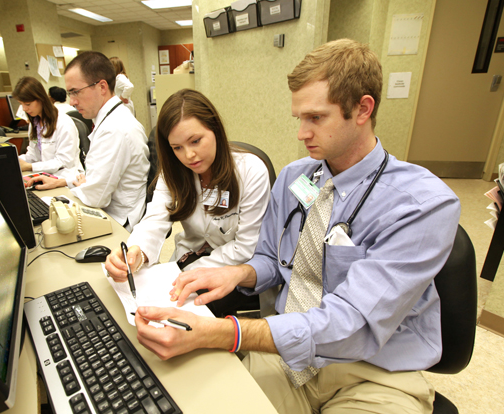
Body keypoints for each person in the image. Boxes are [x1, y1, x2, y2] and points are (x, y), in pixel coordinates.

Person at [130, 39, 461, 414]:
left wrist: (230, 333)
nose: (302, 133)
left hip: (372, 372)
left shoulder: (421, 204)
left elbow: (352, 322)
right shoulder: (295, 178)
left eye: (316, 118)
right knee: (185, 395)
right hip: (286, 359)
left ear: (363, 109)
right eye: (299, 118)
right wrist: (238, 273)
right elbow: (273, 260)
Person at [104, 89, 271, 317]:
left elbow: (245, 248)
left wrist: (186, 273)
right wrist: (137, 252)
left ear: (215, 130)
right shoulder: (174, 173)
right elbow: (155, 219)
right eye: (177, 148)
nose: (189, 155)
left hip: (232, 271)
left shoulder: (250, 171)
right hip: (186, 261)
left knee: (179, 317)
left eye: (195, 141)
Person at [28, 52, 149, 232]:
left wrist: (83, 185)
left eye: (75, 92)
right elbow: (94, 182)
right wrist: (62, 182)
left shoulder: (115, 129)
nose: (71, 102)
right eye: (69, 93)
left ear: (101, 87)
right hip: (107, 211)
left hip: (117, 223)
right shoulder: (110, 119)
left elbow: (94, 197)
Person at [13, 77, 83, 181]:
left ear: (41, 99)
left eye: (28, 104)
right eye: (21, 104)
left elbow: (64, 161)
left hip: (65, 177)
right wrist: (14, 161)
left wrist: (30, 167)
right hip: (45, 175)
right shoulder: (35, 123)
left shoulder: (63, 123)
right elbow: (33, 155)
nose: (24, 109)